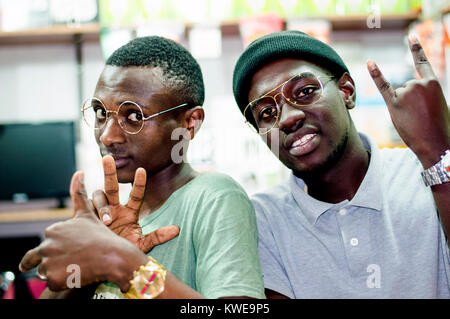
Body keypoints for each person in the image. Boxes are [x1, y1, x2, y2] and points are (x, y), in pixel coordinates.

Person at [19, 36, 265, 299]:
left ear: (190, 123)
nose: (107, 136)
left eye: (134, 116)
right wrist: (85, 260)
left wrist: (122, 264)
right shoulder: (118, 215)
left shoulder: (214, 197)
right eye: (101, 113)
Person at [232, 30, 450, 298]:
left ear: (346, 91)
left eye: (305, 91)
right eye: (266, 113)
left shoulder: (424, 171)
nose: (287, 119)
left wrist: (438, 150)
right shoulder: (263, 219)